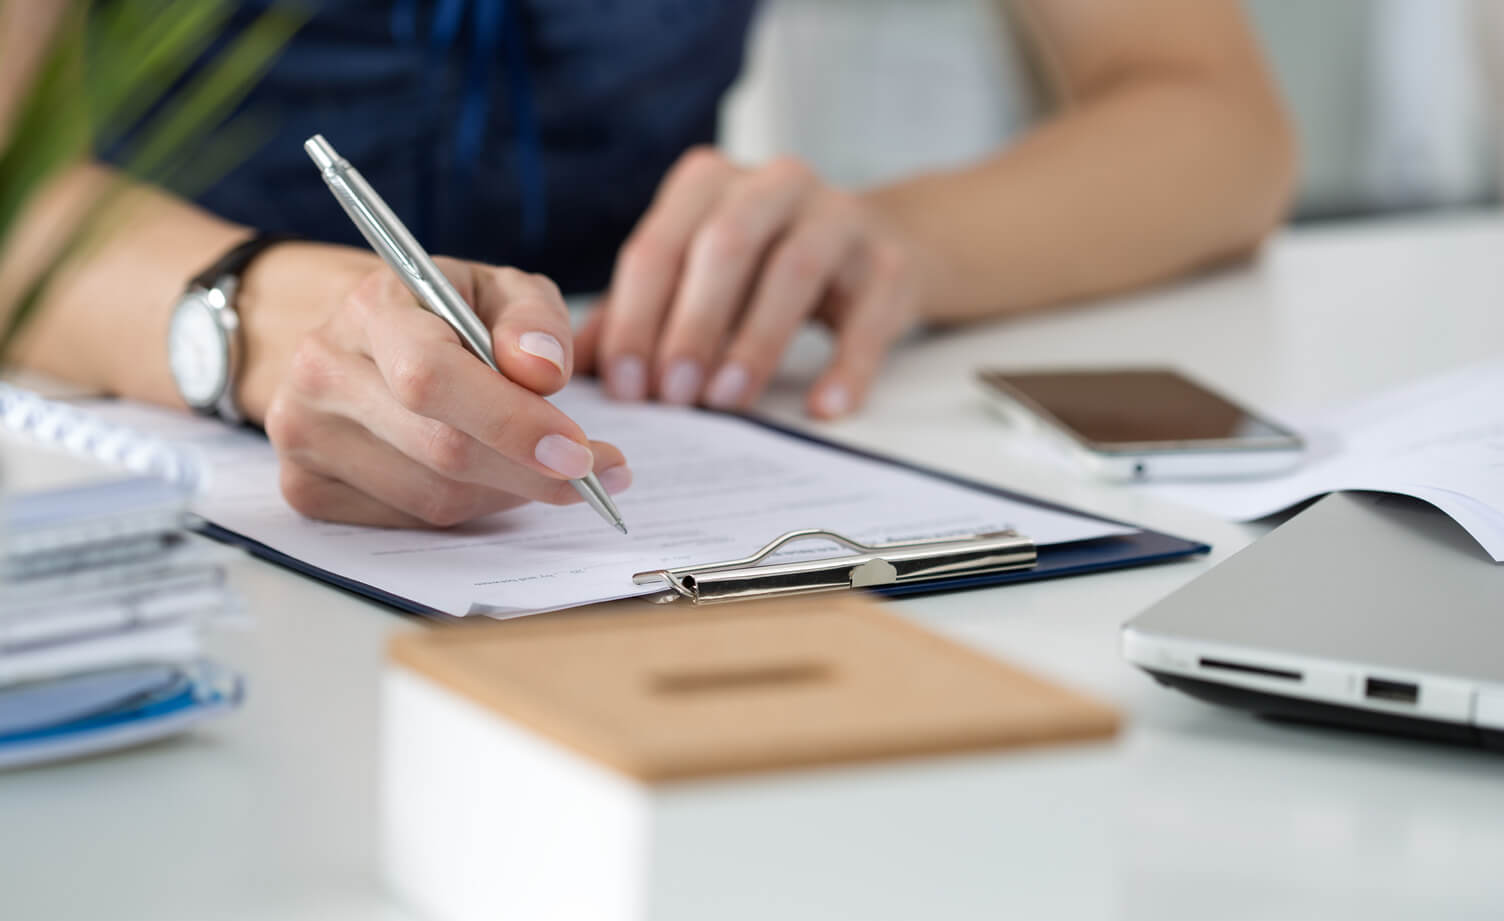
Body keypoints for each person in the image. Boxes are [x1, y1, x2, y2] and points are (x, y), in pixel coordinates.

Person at [0, 0, 1295, 529]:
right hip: (150, 467)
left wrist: (889, 246)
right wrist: (253, 322)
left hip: (650, 410)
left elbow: (1215, 120)